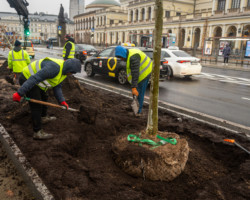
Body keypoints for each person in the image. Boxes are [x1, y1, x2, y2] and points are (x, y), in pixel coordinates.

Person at [12, 57, 81, 140]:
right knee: (36, 105)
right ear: (69, 70)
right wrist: (19, 93)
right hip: (27, 78)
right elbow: (34, 78)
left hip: (38, 82)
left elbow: (57, 86)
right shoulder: (54, 68)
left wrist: (62, 101)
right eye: (72, 73)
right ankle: (37, 132)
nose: (72, 74)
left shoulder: (63, 72)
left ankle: (43, 117)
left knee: (44, 97)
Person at [115, 46, 152, 116]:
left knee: (140, 92)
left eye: (120, 57)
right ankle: (136, 108)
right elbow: (131, 70)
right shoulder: (128, 55)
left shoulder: (133, 57)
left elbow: (135, 73)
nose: (121, 59)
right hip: (140, 72)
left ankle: (138, 112)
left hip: (145, 73)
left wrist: (134, 87)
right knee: (136, 93)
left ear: (122, 54)